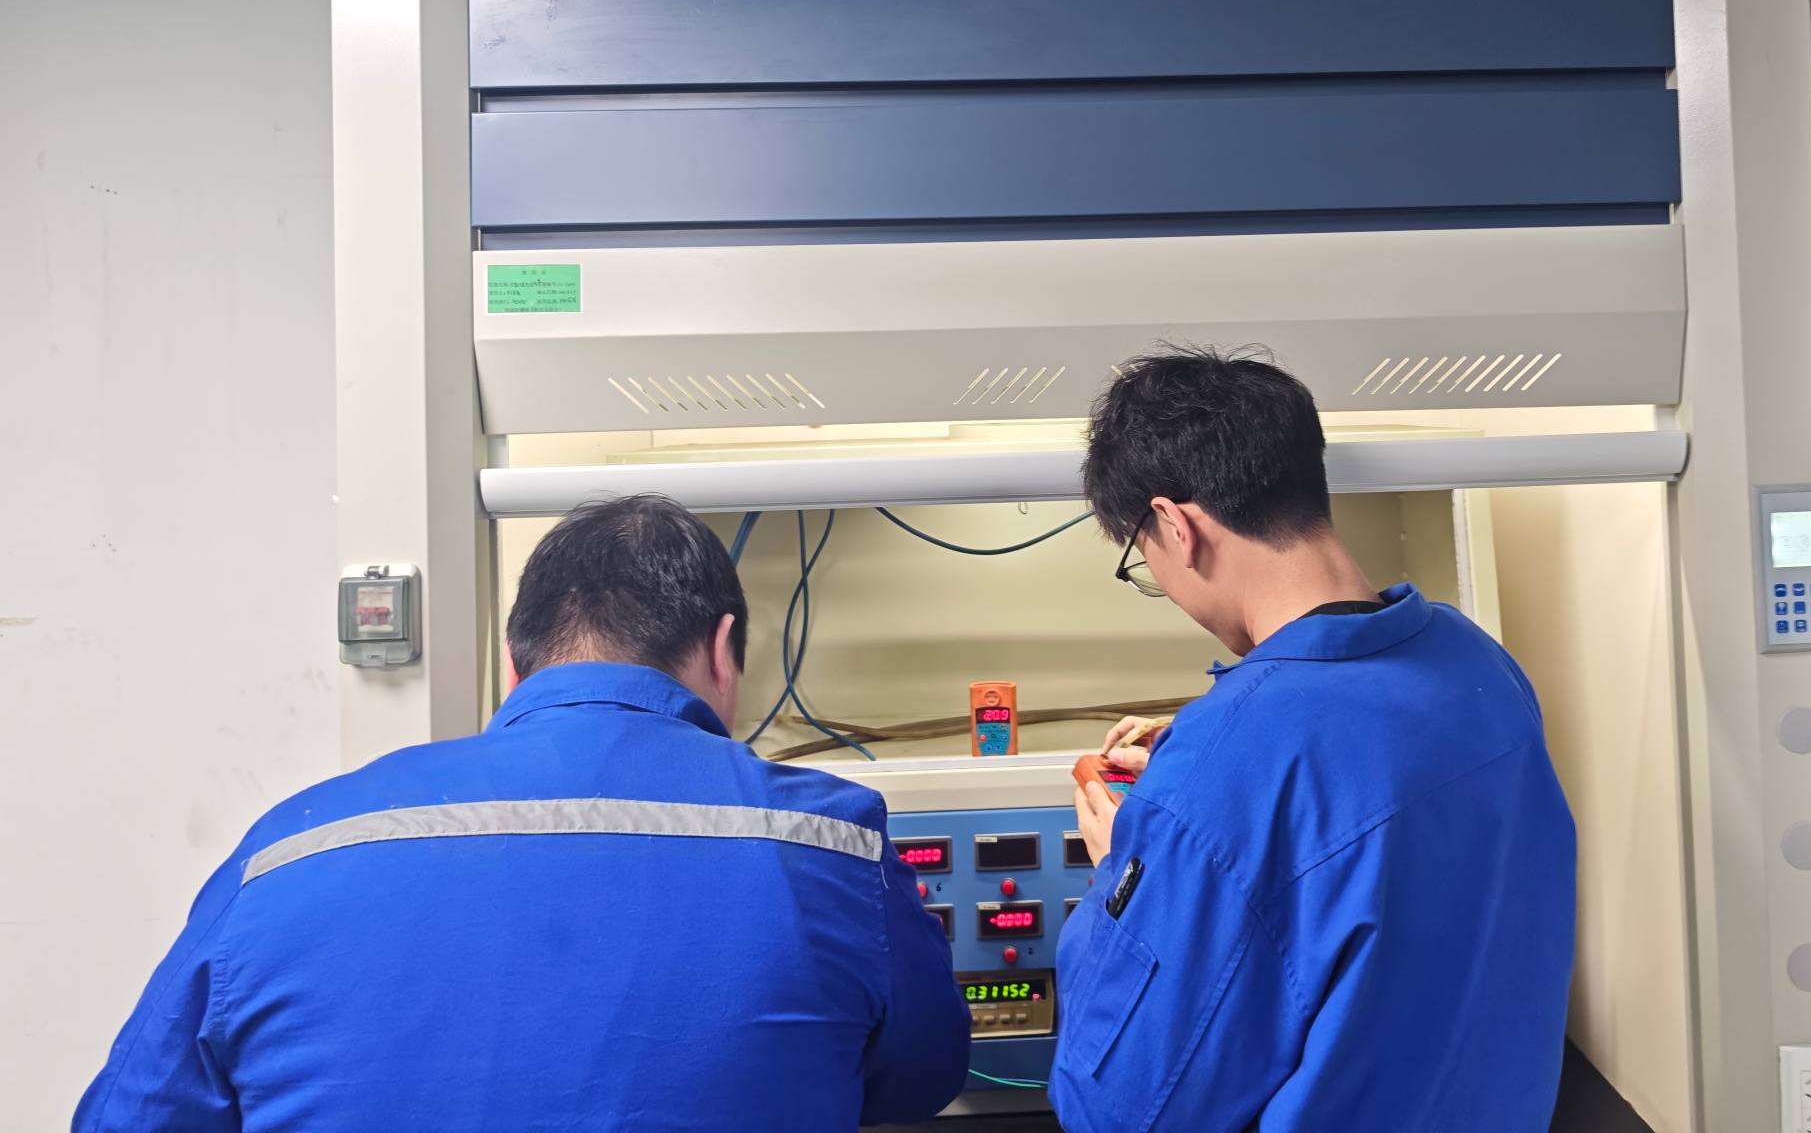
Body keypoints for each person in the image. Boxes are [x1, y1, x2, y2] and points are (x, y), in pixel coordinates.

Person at [75, 494, 967, 1132]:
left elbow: (133, 1114)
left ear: (514, 662)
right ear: (723, 648)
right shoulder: (833, 843)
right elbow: (921, 1078)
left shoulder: (291, 848)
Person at [1052, 349, 1576, 1132]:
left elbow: (1118, 1112)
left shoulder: (1224, 767)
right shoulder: (1481, 665)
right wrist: (1203, 764)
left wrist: (1119, 886)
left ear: (1176, 527)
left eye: (1147, 563)